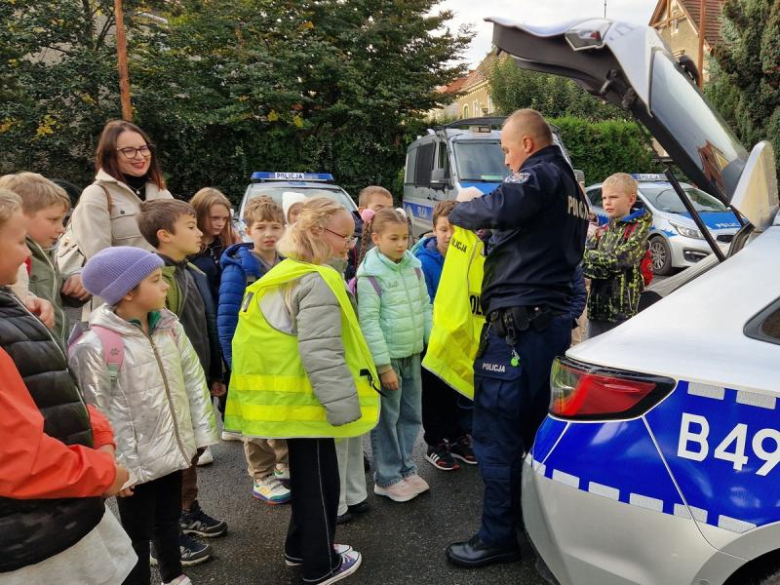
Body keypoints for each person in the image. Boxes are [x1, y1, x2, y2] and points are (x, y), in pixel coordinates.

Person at [444, 109, 588, 568]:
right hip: (546, 332)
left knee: (497, 436)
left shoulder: (540, 175)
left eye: (506, 150)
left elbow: (499, 206)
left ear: (526, 144)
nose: (506, 162)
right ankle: (531, 524)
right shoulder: (573, 193)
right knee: (531, 435)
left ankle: (496, 538)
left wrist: (460, 211)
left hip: (516, 335)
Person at [226, 197, 378, 585]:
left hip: (287, 403)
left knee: (308, 480)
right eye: (345, 236)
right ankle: (319, 564)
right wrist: (344, 409)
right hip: (309, 404)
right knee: (320, 485)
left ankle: (301, 549)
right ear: (317, 233)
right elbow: (321, 351)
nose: (351, 244)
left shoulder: (288, 271)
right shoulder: (317, 278)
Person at [0, 188, 137, 585]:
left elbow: (55, 391)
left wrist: (100, 435)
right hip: (38, 545)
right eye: (16, 240)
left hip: (61, 519)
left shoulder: (13, 307)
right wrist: (103, 469)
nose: (27, 255)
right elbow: (18, 461)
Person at [69, 246, 218, 585]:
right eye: (155, 280)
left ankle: (173, 576)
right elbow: (94, 411)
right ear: (127, 292)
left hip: (172, 448)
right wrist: (114, 468)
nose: (165, 286)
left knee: (168, 519)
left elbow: (192, 380)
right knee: (135, 534)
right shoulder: (96, 344)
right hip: (132, 464)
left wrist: (199, 435)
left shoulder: (169, 327)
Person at [136, 200, 228, 565]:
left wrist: (215, 373)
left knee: (188, 452)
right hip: (170, 388)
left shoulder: (192, 270)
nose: (200, 232)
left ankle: (186, 510)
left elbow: (205, 323)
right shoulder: (157, 279)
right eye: (191, 226)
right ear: (165, 235)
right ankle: (165, 534)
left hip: (196, 379)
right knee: (171, 457)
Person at [217, 196, 291, 505]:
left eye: (276, 226)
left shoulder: (286, 264)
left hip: (280, 356)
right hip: (251, 358)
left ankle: (284, 466)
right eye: (261, 227)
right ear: (247, 230)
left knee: (284, 414)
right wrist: (234, 361)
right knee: (257, 421)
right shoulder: (239, 269)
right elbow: (226, 317)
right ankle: (261, 476)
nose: (269, 234)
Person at [357, 208, 432, 502]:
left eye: (405, 237)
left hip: (413, 353)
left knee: (411, 415)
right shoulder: (370, 274)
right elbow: (369, 323)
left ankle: (406, 468)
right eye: (393, 238)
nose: (401, 244)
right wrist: (383, 366)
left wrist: (430, 345)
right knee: (387, 419)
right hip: (389, 359)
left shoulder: (414, 266)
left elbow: (425, 307)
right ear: (376, 238)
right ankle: (387, 477)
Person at [67, 120, 173, 314]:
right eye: (129, 151)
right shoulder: (97, 195)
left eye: (143, 148)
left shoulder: (161, 193)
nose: (140, 156)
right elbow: (101, 260)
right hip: (120, 307)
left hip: (164, 298)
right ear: (110, 155)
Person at [413, 200, 476, 472]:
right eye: (444, 229)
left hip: (460, 342)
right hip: (434, 341)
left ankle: (458, 437)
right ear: (434, 230)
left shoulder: (469, 258)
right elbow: (423, 303)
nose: (450, 235)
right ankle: (435, 442)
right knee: (434, 395)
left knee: (456, 391)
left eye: (456, 229)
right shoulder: (423, 263)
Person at [0, 172, 90, 347]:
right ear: (21, 215)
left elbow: (47, 289)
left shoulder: (44, 252)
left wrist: (73, 285)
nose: (62, 229)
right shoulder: (15, 258)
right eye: (53, 220)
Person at [583, 173, 652, 337]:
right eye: (604, 197)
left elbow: (620, 260)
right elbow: (584, 265)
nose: (607, 202)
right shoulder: (603, 230)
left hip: (623, 312)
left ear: (631, 199)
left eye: (613, 197)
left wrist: (593, 257)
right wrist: (605, 266)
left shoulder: (638, 229)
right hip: (596, 309)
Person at [189, 187, 240, 304]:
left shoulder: (229, 242)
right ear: (199, 214)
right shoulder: (187, 247)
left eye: (225, 218)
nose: (220, 223)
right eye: (215, 218)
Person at [347, 185, 394, 281]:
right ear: (362, 211)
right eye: (379, 208)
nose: (386, 213)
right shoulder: (350, 238)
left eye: (389, 209)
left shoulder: (393, 235)